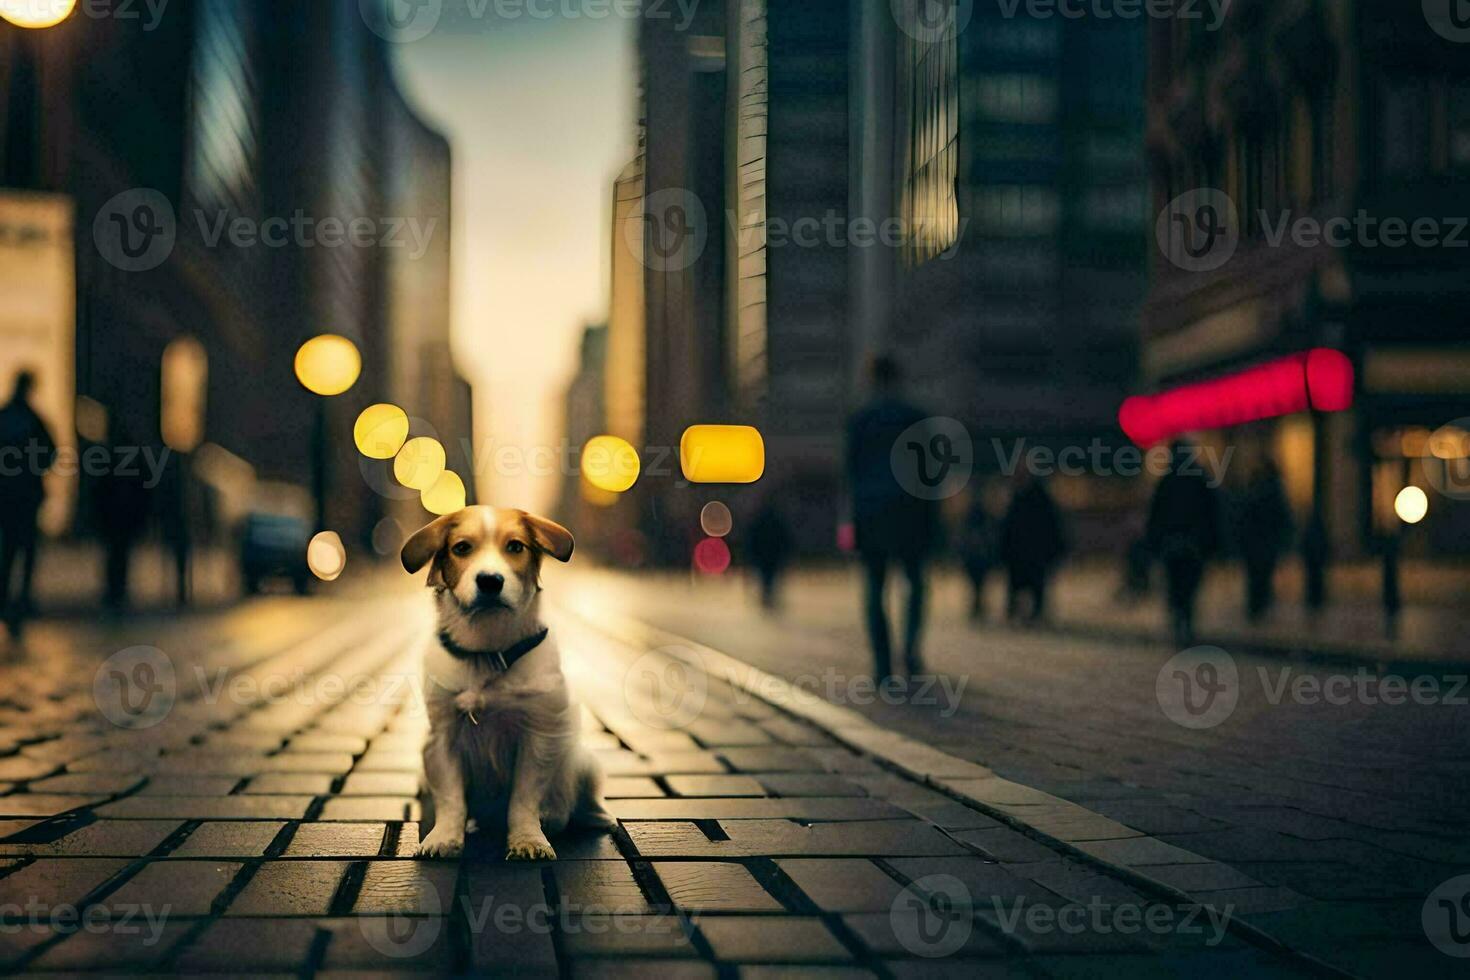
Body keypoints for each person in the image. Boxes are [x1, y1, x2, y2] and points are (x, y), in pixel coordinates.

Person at [846, 355, 940, 680]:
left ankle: (882, 664)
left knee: (875, 585)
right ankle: (911, 651)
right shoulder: (916, 418)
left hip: (871, 512)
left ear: (872, 380)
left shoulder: (860, 420)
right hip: (910, 511)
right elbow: (930, 474)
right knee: (915, 582)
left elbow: (851, 474)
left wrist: (852, 518)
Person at [1146, 442, 1221, 646]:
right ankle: (1186, 620)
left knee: (1175, 585)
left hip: (1173, 544)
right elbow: (1213, 513)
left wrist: (1153, 543)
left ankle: (1179, 618)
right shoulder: (1200, 478)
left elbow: (1156, 516)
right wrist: (1213, 543)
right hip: (1194, 545)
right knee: (1189, 585)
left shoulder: (1167, 480)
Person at [0, 371, 56, 637]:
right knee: (22, 550)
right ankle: (19, 598)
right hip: (22, 495)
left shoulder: (8, 417)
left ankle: (9, 597)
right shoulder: (32, 420)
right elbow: (50, 451)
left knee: (11, 550)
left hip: (11, 495)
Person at [998, 471, 1066, 623]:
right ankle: (1017, 612)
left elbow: (1051, 527)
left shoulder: (1040, 499)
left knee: (1035, 584)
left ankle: (1034, 613)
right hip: (1018, 552)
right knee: (1017, 584)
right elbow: (1007, 528)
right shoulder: (1017, 497)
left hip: (1035, 552)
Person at [1238, 456, 1292, 621]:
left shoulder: (1258, 491)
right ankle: (1259, 606)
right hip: (1265, 543)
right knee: (1262, 575)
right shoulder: (1274, 491)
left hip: (1257, 543)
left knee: (1257, 576)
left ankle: (1257, 607)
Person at [746, 497, 794, 610]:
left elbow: (751, 540)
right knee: (770, 578)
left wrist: (751, 556)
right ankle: (768, 597)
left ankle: (767, 597)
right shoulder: (777, 522)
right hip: (773, 557)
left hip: (764, 557)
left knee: (765, 578)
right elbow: (785, 539)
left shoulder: (758, 522)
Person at [957, 491, 997, 622]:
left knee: (977, 584)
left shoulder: (974, 519)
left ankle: (977, 605)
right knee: (978, 584)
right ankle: (978, 605)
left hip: (976, 556)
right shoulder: (984, 518)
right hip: (978, 556)